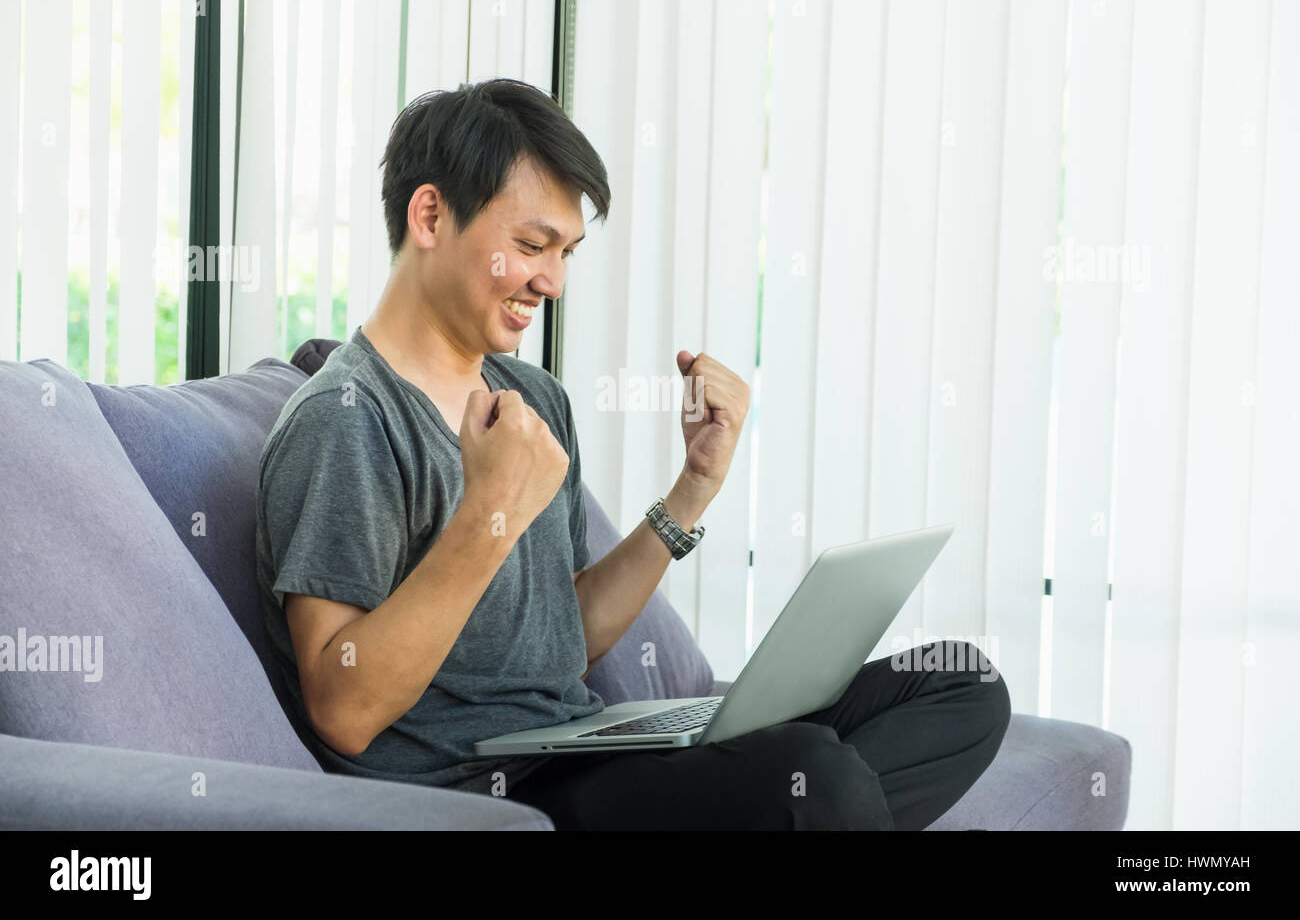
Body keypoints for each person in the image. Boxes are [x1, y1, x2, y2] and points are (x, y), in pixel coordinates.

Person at [255, 77, 1010, 830]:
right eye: (529, 245)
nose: (550, 280)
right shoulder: (346, 420)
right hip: (484, 793)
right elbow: (343, 708)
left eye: (566, 252)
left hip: (582, 751)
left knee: (959, 684)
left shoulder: (532, 399)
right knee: (815, 778)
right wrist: (488, 514)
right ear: (429, 215)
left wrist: (693, 489)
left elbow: (564, 640)